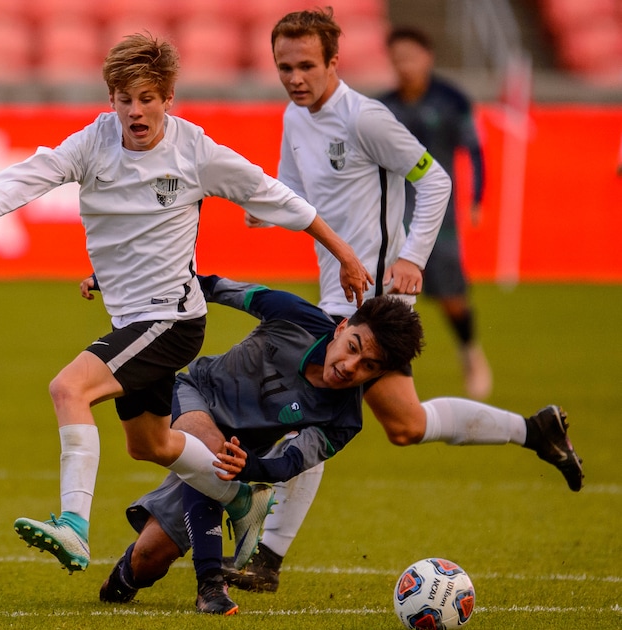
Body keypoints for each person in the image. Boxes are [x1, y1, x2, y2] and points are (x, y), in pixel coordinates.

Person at [0, 32, 373, 575]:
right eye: (125, 98)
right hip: (133, 317)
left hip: (172, 318)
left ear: (168, 97)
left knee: (68, 388)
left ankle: (74, 527)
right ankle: (243, 502)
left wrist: (342, 251)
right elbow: (41, 169)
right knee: (149, 443)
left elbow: (272, 194)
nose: (136, 110)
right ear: (111, 100)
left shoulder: (195, 151)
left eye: (148, 98)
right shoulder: (94, 143)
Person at [226, 8, 584, 594]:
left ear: (334, 62)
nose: (295, 78)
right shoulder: (295, 116)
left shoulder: (366, 118)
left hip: (376, 301)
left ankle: (266, 558)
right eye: (284, 66)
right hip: (335, 292)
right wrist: (258, 209)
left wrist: (414, 257)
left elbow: (436, 178)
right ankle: (534, 430)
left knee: (313, 407)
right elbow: (291, 191)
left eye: (307, 66)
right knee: (405, 425)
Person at [97, 273, 426, 614]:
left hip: (238, 456)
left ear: (379, 375)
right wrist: (126, 285)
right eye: (353, 347)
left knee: (151, 556)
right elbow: (208, 286)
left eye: (368, 366)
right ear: (342, 327)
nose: (349, 366)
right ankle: (211, 584)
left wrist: (251, 467)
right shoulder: (293, 313)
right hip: (194, 393)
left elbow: (290, 463)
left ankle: (123, 579)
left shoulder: (344, 420)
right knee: (213, 454)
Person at [378, 26, 492, 401]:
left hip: (436, 214)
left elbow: (474, 150)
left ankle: (470, 353)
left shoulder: (451, 100)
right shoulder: (381, 107)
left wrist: (477, 198)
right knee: (381, 290)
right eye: (397, 59)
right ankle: (383, 373)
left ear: (428, 57)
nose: (404, 66)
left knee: (451, 296)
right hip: (392, 211)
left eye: (410, 57)